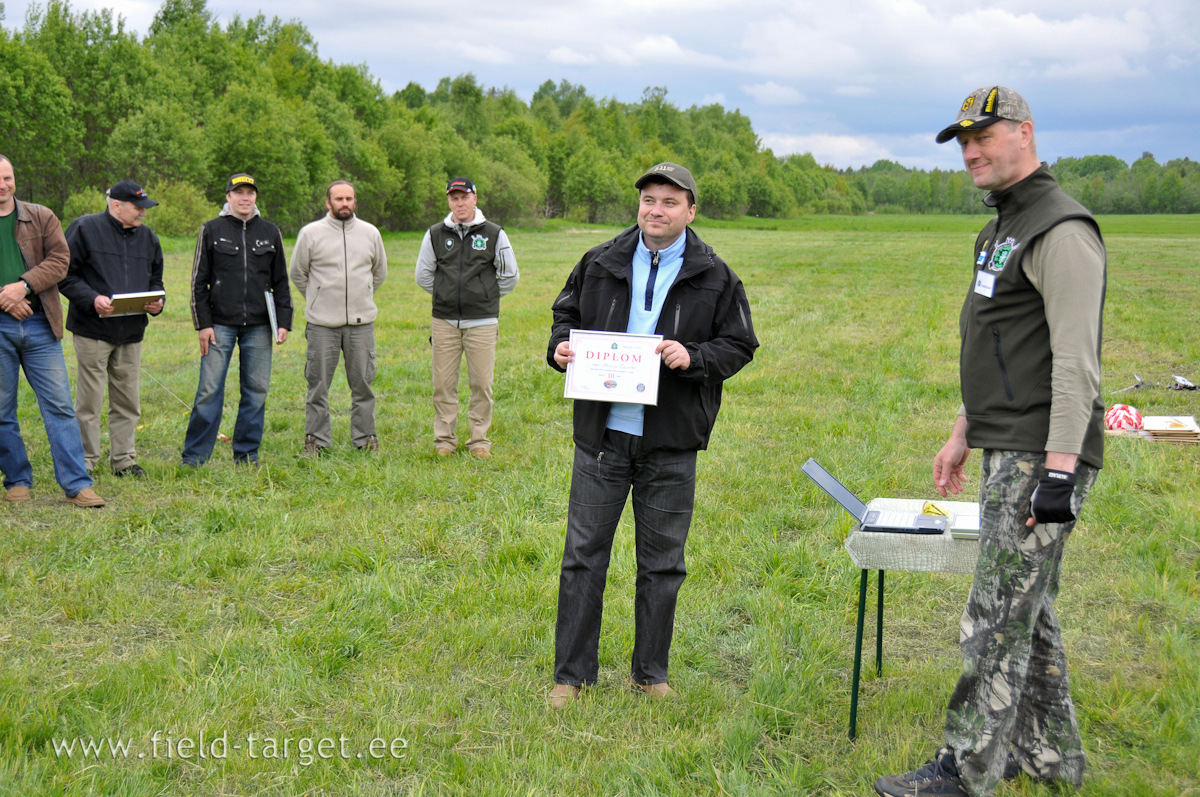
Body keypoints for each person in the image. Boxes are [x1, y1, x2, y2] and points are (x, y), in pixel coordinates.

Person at [874, 87, 1106, 797]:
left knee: (995, 615)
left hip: (1042, 449)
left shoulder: (1059, 229)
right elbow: (1000, 341)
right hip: (1007, 441)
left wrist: (1059, 472)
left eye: (985, 136)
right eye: (963, 140)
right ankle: (1051, 757)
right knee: (1025, 609)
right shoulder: (1005, 224)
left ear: (1025, 133)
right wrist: (961, 430)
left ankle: (965, 768)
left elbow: (1075, 361)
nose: (971, 150)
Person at [545, 162, 758, 707]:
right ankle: (571, 676)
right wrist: (561, 348)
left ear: (691, 210)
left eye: (668, 202)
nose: (655, 211)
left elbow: (739, 343)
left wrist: (697, 356)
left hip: (670, 443)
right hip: (603, 437)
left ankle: (649, 673)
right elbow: (564, 314)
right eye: (648, 200)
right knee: (582, 557)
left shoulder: (715, 275)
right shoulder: (600, 262)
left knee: (663, 563)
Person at [0, 155, 105, 508]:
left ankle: (77, 484)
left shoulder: (41, 216)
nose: (2, 185)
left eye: (7, 178)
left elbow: (60, 261)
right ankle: (17, 480)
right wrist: (7, 298)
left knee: (59, 406)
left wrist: (24, 286)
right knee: (1, 409)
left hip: (41, 324)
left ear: (15, 179)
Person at [181, 173, 292, 467]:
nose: (245, 198)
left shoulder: (270, 232)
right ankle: (194, 457)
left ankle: (246, 454)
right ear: (228, 197)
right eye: (238, 192)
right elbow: (198, 282)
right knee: (209, 390)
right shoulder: (211, 230)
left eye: (250, 193)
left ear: (255, 197)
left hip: (259, 325)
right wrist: (203, 325)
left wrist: (284, 321)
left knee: (256, 391)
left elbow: (281, 281)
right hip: (219, 325)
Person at [60, 181, 165, 478]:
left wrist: (157, 301)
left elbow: (156, 280)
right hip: (92, 329)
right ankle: (85, 461)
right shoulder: (84, 229)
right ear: (116, 205)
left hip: (131, 332)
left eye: (145, 208)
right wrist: (92, 299)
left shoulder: (149, 239)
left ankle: (124, 460)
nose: (143, 214)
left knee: (128, 401)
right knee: (89, 402)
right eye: (138, 208)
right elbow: (64, 275)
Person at [415, 177, 519, 459]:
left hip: (482, 323)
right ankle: (445, 441)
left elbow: (509, 275)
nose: (459, 203)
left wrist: (485, 296)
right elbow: (423, 275)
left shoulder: (495, 233)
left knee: (481, 384)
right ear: (449, 201)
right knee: (443, 385)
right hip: (444, 321)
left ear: (475, 198)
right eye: (454, 198)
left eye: (464, 197)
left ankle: (479, 441)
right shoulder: (436, 234)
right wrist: (445, 294)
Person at [289, 180, 387, 455]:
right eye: (339, 199)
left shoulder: (370, 233)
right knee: (318, 386)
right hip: (322, 326)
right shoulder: (311, 234)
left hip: (361, 325)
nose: (345, 203)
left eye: (349, 198)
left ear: (355, 201)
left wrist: (363, 294)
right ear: (327, 202)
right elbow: (298, 273)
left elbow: (378, 272)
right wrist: (318, 298)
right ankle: (316, 442)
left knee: (364, 386)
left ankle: (366, 439)